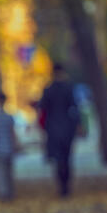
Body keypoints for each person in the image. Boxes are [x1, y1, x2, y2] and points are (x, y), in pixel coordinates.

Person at [37, 62, 80, 198]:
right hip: (67, 128)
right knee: (67, 158)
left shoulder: (48, 89)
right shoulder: (69, 88)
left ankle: (61, 186)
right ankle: (66, 186)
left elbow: (42, 109)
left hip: (53, 129)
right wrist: (77, 125)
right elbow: (74, 108)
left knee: (58, 159)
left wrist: (43, 126)